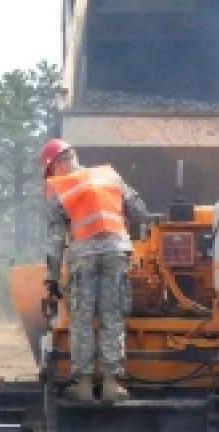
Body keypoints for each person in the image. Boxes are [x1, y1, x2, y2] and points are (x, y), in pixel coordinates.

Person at [40, 138, 149, 403]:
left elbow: (55, 241)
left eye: (50, 171)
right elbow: (140, 211)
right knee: (112, 316)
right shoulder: (109, 175)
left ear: (56, 165)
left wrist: (52, 278)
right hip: (116, 253)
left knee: (82, 318)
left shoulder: (61, 188)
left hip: (83, 259)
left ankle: (85, 386)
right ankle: (112, 385)